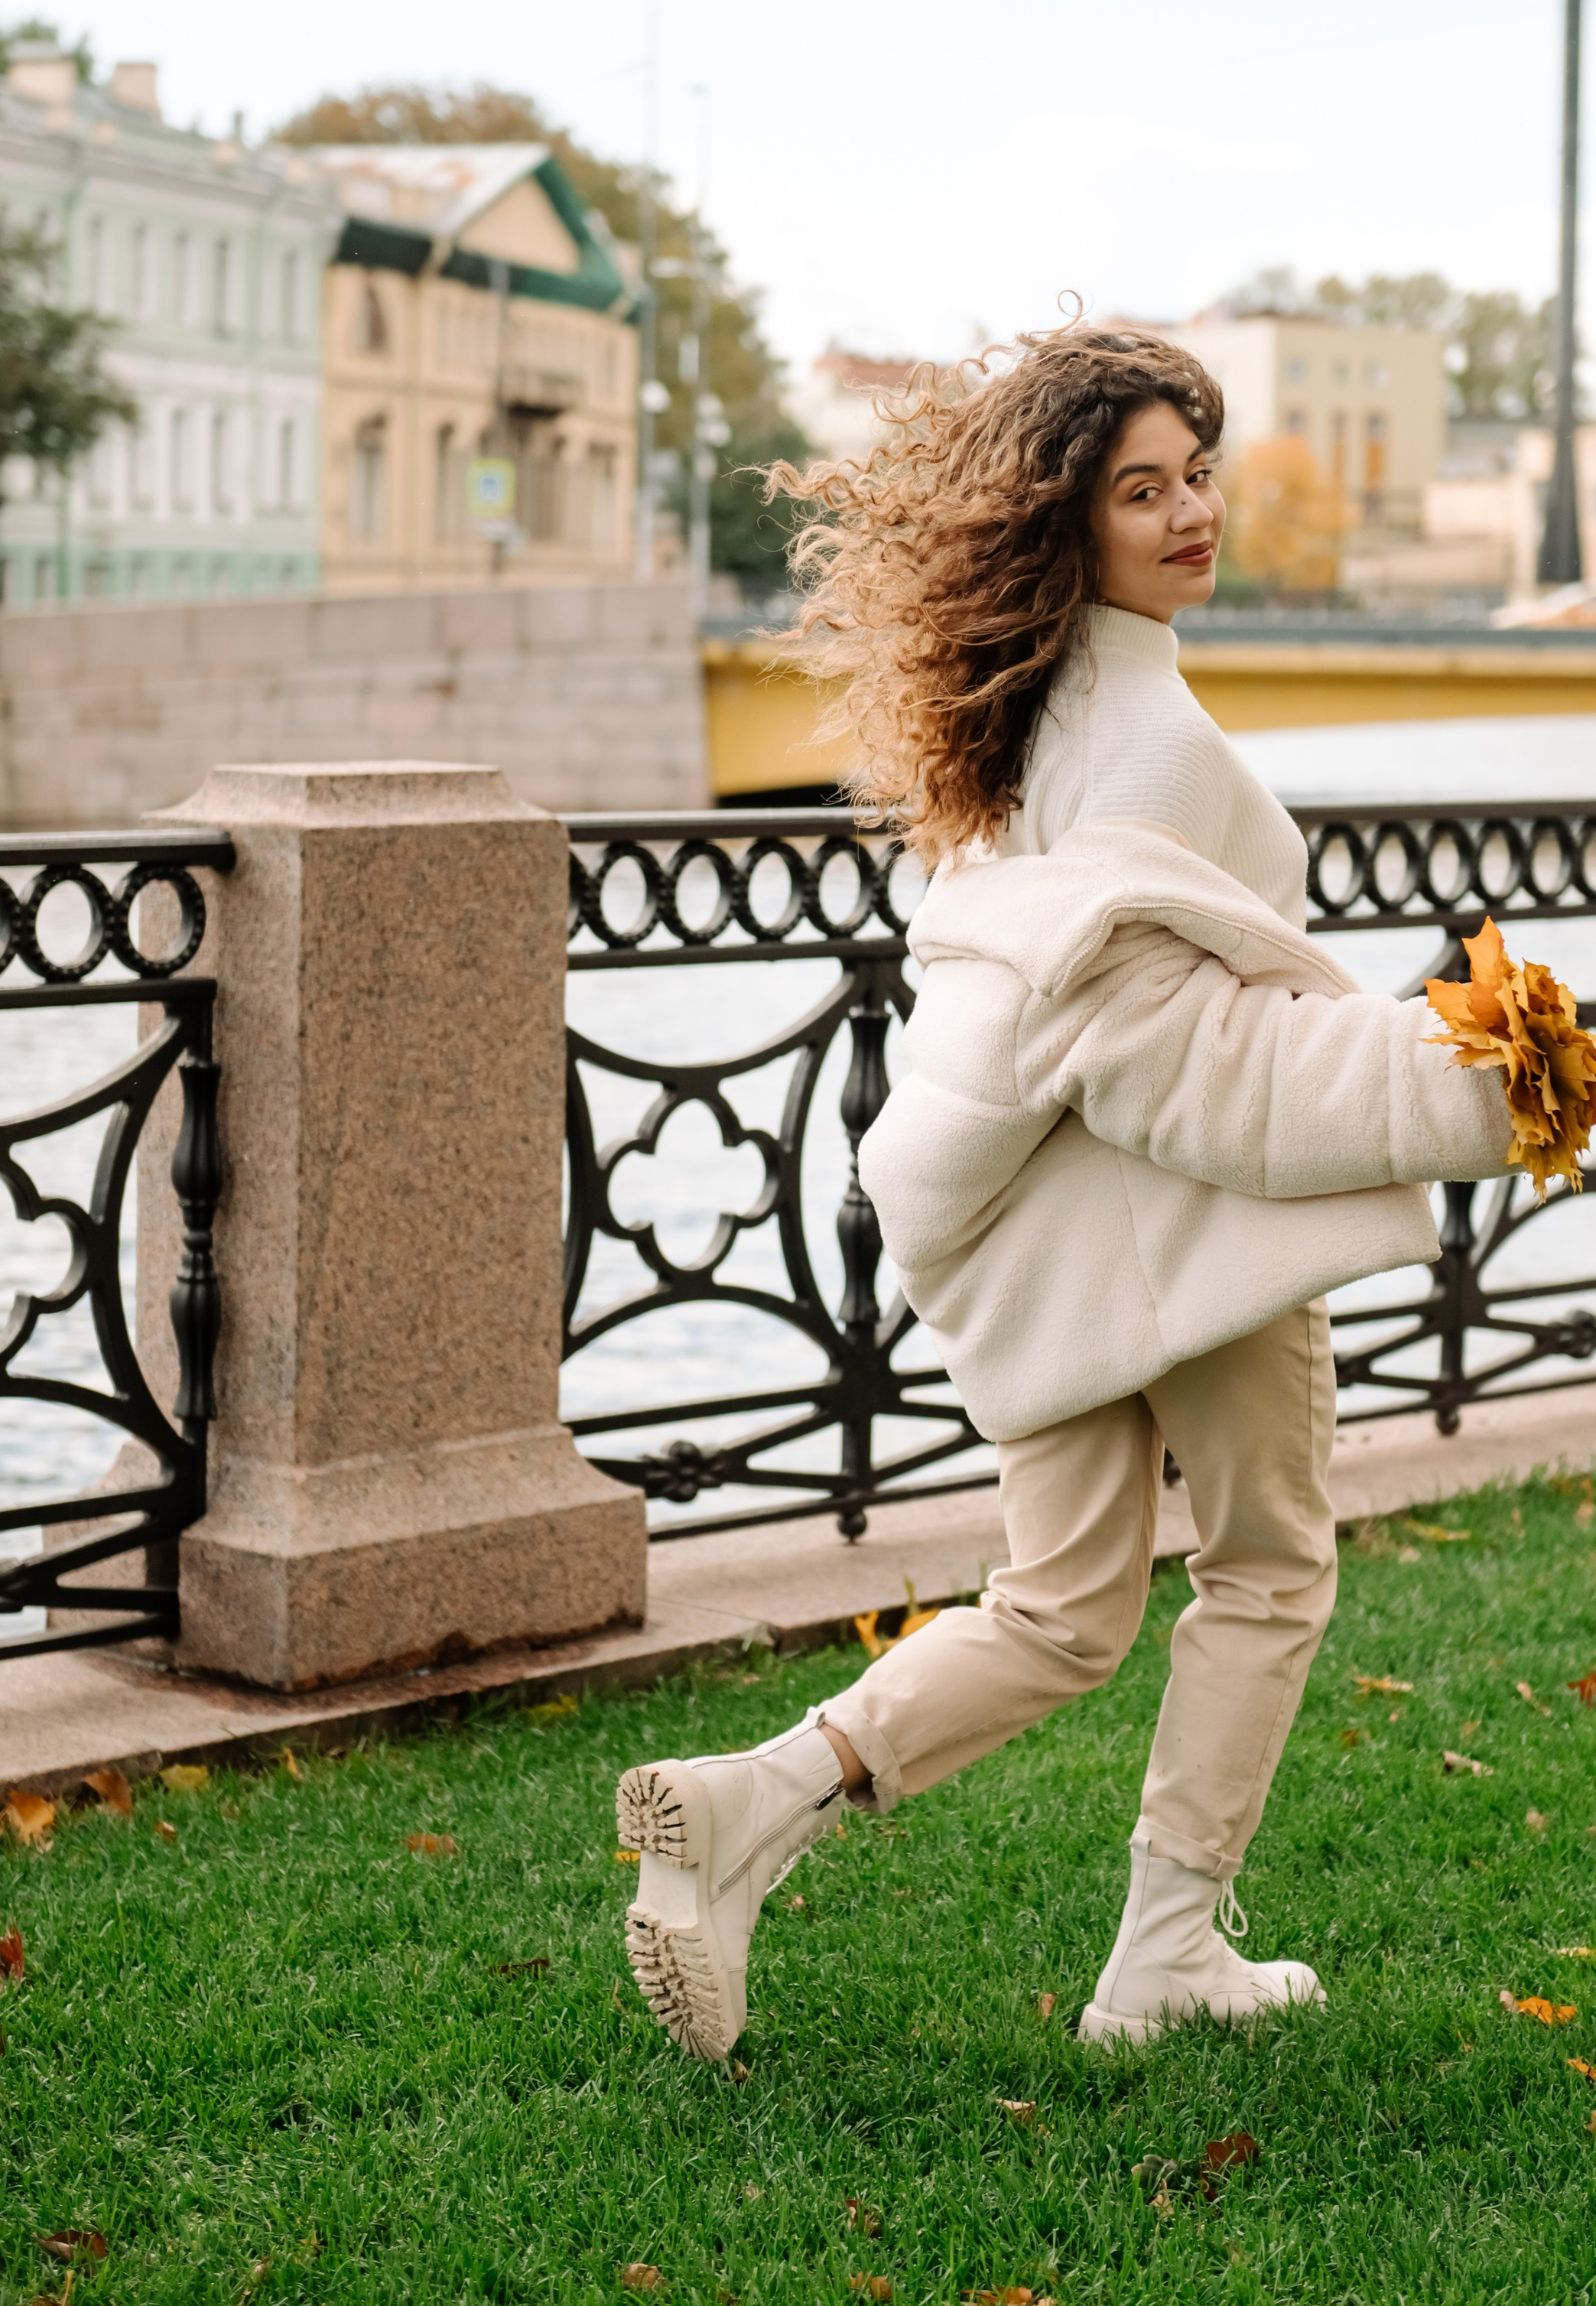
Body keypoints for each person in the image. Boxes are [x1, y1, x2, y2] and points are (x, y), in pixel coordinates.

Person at [616, 320, 1512, 2064]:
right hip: (1183, 1232)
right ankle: (1164, 1951)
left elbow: (1068, 1011)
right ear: (1066, 517)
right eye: (1140, 490)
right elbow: (1171, 1060)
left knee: (1060, 1602)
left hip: (1033, 1231)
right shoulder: (1154, 735)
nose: (1190, 516)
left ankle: (751, 1806)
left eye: (1196, 478)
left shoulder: (1017, 710)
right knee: (1264, 1569)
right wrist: (1461, 1080)